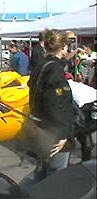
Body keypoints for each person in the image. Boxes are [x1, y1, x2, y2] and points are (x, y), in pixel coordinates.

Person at [27, 29, 75, 181]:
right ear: (63, 47)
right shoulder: (54, 70)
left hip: (40, 127)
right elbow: (56, 105)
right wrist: (62, 135)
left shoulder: (41, 65)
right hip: (53, 132)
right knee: (54, 177)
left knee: (41, 172)